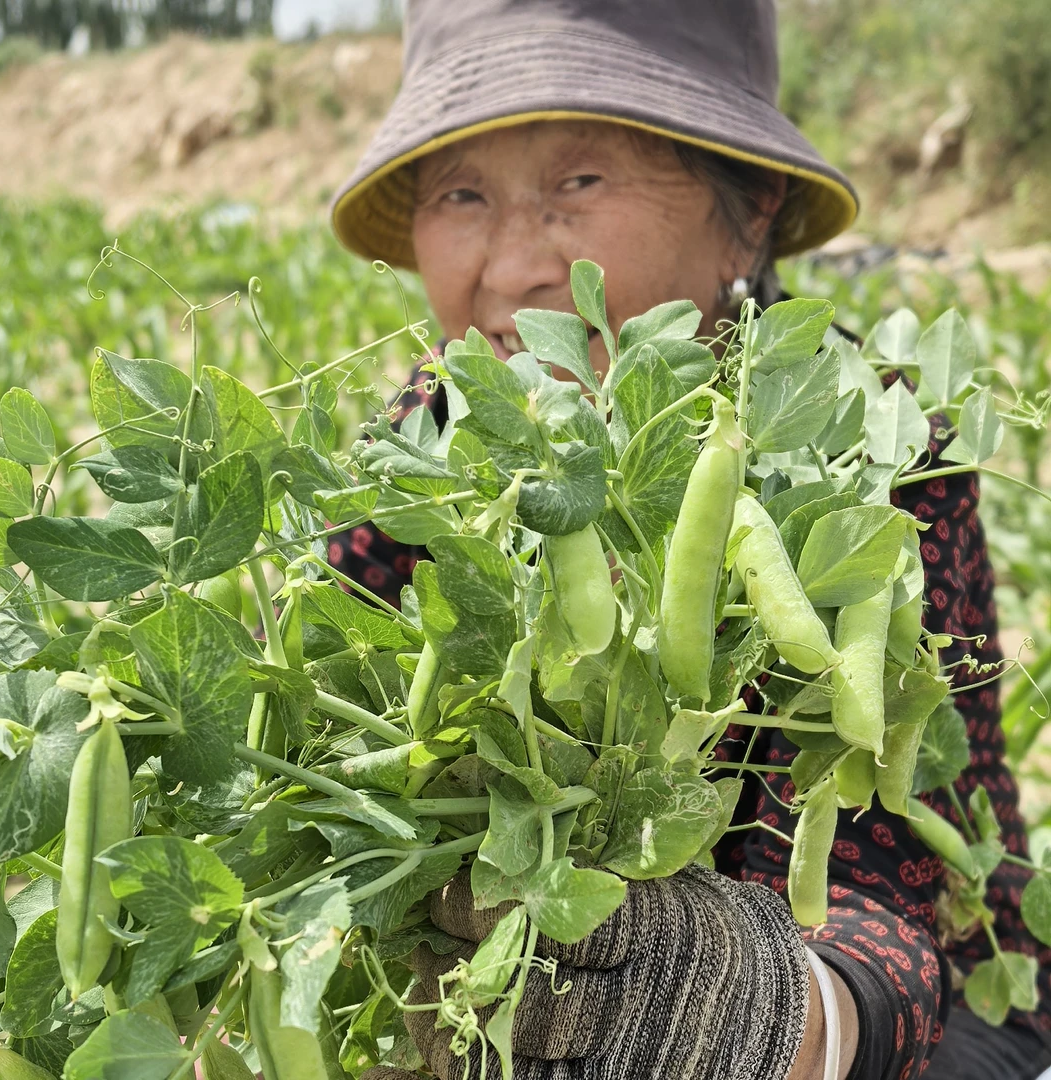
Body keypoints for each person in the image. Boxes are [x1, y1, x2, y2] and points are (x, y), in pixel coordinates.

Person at [327, 2, 1051, 1077]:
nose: (516, 265)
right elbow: (332, 746)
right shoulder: (430, 432)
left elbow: (881, 895)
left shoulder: (876, 449)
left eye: (579, 183)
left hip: (896, 1022)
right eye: (461, 194)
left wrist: (761, 1012)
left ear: (748, 211)